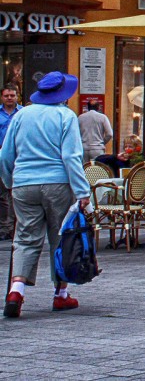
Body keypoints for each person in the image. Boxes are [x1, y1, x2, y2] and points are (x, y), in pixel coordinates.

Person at [0, 72, 92, 318]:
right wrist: (83, 191)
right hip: (57, 183)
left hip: (23, 184)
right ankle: (60, 295)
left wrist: (10, 181)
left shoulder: (21, 115)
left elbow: (5, 155)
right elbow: (71, 157)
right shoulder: (65, 116)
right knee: (59, 237)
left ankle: (16, 291)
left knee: (25, 237)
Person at [0, 85, 22, 240]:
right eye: (7, 96)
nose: (9, 98)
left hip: (18, 156)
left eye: (12, 95)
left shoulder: (23, 114)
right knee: (2, 194)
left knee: (17, 192)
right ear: (2, 97)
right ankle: (5, 226)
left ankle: (16, 225)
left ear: (17, 97)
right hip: (1, 154)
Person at [77, 98, 113, 166]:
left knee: (84, 169)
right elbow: (110, 134)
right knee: (98, 170)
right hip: (98, 148)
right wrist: (102, 142)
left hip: (84, 148)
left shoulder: (80, 117)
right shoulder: (103, 117)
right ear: (98, 107)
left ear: (87, 107)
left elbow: (76, 133)